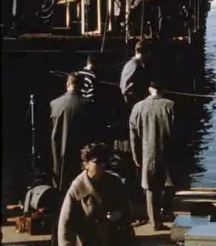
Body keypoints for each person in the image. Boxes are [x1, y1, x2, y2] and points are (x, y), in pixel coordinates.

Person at [57, 143, 132, 246]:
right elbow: (65, 225)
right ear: (85, 165)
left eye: (104, 162)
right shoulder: (77, 188)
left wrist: (119, 214)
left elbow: (126, 209)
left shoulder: (114, 182)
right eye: (97, 162)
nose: (102, 165)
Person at [129, 79, 175, 231]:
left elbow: (133, 135)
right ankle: (167, 211)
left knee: (150, 188)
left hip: (147, 152)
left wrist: (136, 157)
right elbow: (180, 133)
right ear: (164, 89)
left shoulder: (138, 107)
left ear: (150, 89)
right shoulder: (171, 106)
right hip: (168, 151)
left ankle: (154, 220)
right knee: (169, 183)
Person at [50, 73, 89, 192]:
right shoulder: (87, 104)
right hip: (78, 154)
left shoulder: (54, 103)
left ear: (67, 84)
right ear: (82, 86)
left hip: (58, 153)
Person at [120, 40, 151, 107]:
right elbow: (127, 88)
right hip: (133, 104)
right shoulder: (136, 66)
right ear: (147, 53)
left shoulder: (130, 64)